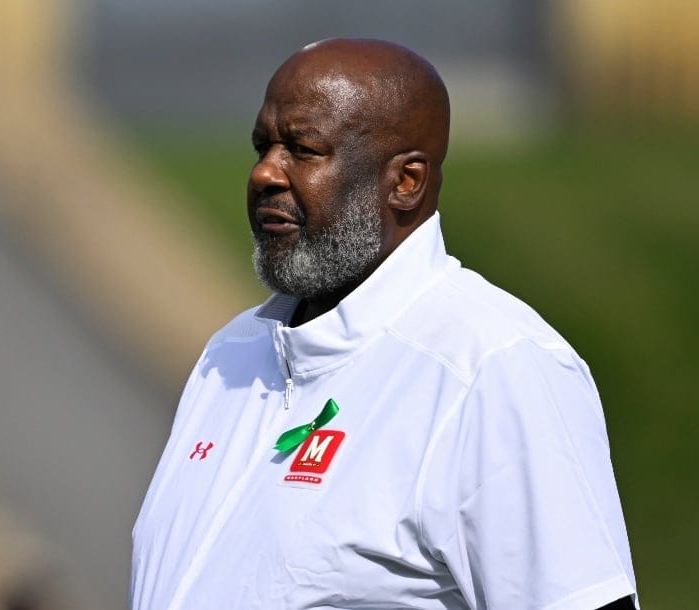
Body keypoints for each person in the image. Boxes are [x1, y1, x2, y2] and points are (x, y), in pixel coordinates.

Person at [130, 39, 638, 610]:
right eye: (262, 146)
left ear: (406, 182)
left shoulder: (492, 367)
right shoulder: (230, 356)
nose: (265, 173)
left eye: (303, 148)